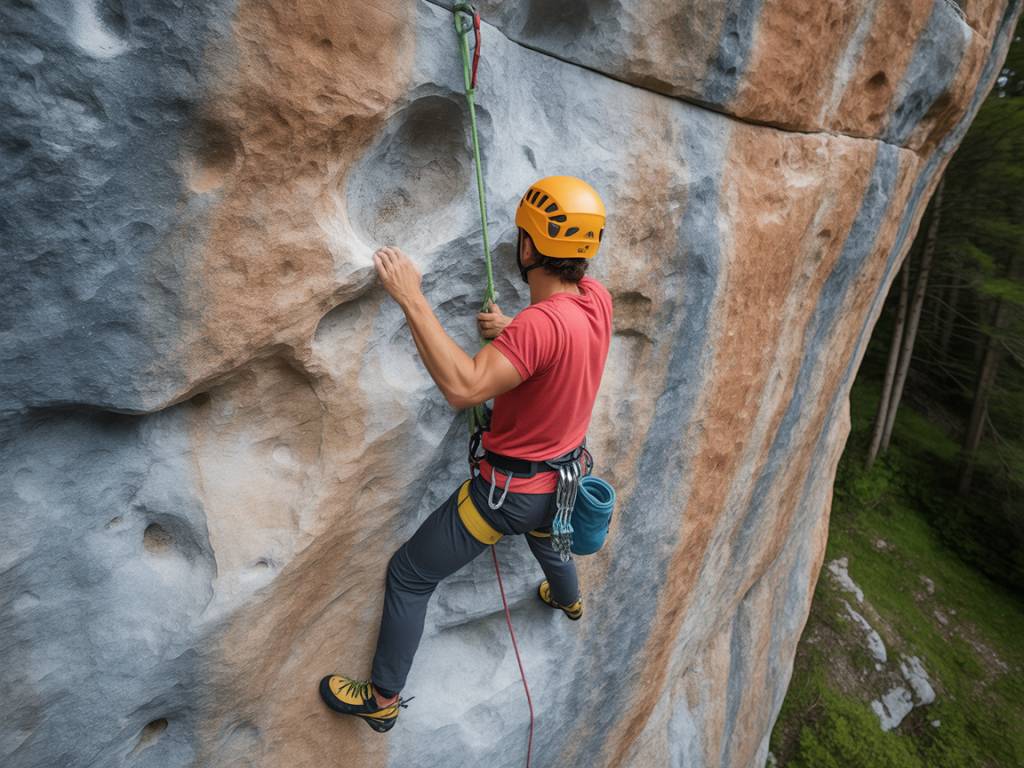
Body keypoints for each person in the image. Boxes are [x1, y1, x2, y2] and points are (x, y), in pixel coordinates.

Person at [319, 175, 613, 732]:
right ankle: (568, 600)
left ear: (528, 246)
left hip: (507, 496)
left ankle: (381, 699)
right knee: (551, 538)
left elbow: (464, 386)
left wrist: (410, 296)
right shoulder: (596, 300)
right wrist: (513, 333)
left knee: (409, 575)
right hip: (566, 478)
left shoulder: (537, 329)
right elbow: (561, 343)